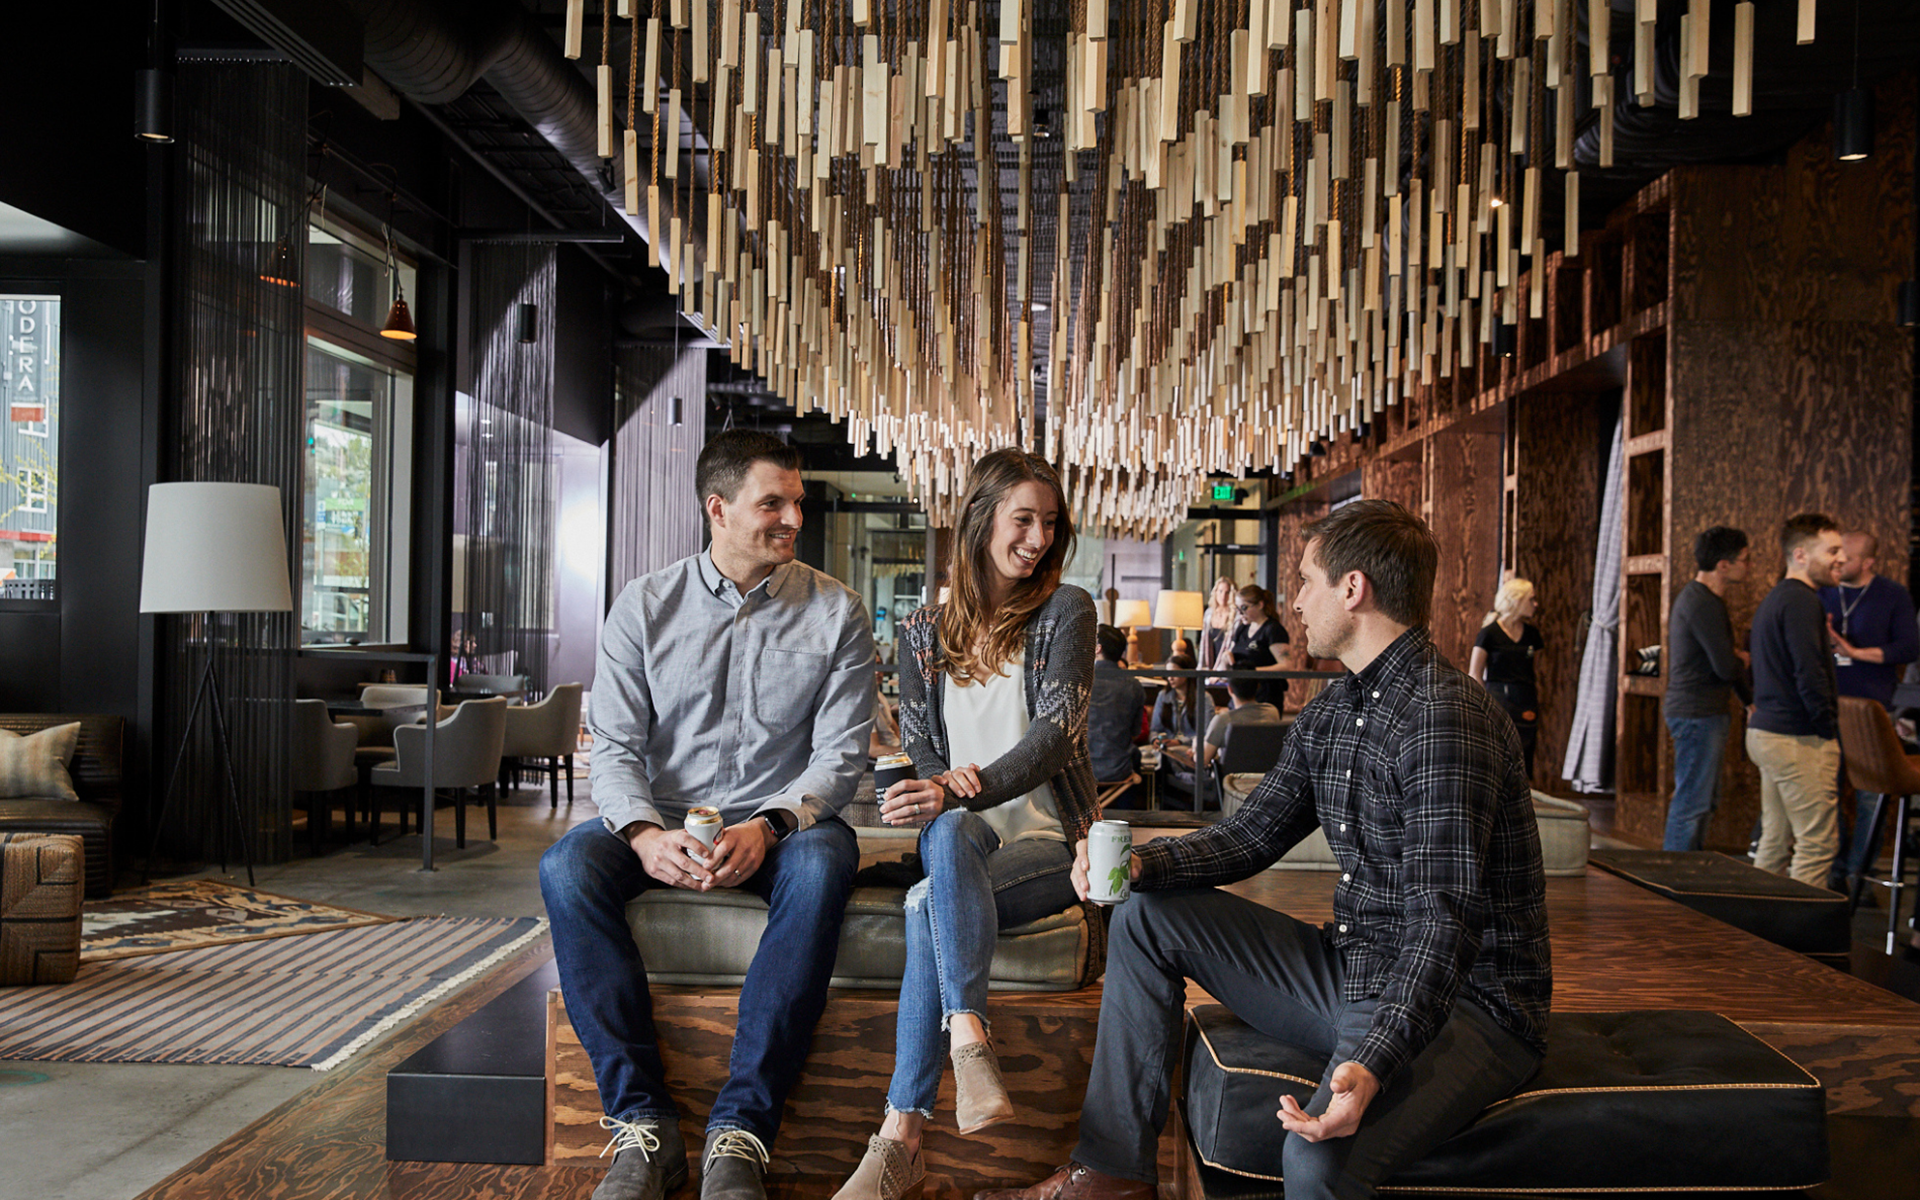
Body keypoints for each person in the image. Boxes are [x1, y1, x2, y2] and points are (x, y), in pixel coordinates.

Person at [978, 500, 1550, 1200]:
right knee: (1147, 914)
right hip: (1356, 968)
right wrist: (1138, 867)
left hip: (1465, 1003)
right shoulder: (1336, 711)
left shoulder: (1444, 717)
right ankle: (1112, 1175)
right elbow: (1250, 836)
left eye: (1306, 581)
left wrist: (1373, 1061)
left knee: (1314, 1161)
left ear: (1353, 588)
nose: (1296, 602)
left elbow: (1441, 927)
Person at [540, 430, 876, 1200]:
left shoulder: (837, 612)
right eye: (773, 503)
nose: (795, 518)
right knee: (565, 865)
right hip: (660, 821)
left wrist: (771, 824)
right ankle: (643, 1127)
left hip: (781, 828)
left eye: (798, 502)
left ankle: (741, 1134)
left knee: (828, 859)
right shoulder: (644, 606)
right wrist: (641, 835)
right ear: (717, 509)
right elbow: (614, 747)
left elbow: (840, 756)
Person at [832, 448, 1099, 1200]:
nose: (1039, 538)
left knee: (926, 899)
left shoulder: (1067, 610)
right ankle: (968, 1038)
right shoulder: (922, 631)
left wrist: (957, 790)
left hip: (1049, 841)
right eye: (1024, 519)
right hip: (964, 838)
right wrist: (936, 792)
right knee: (947, 841)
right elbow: (922, 748)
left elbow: (1055, 738)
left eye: (1051, 522)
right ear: (981, 519)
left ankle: (900, 1138)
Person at [1748, 513, 1847, 888]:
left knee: (1774, 842)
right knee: (1817, 844)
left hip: (1769, 733)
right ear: (1801, 555)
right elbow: (1810, 673)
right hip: (1797, 738)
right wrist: (1827, 729)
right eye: (1832, 551)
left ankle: (1755, 923)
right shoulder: (1802, 602)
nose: (1841, 558)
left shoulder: (1778, 597)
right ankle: (1802, 926)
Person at [1819, 530, 1919, 888]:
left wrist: (1855, 653)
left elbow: (1908, 648)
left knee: (1871, 798)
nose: (1838, 561)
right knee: (1827, 792)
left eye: (1847, 557)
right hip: (1828, 706)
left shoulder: (1892, 594)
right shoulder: (1822, 591)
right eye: (1836, 554)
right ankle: (1835, 870)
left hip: (1874, 708)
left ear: (1868, 562)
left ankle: (1857, 873)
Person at [1661, 527, 1753, 852]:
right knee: (1692, 804)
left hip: (1701, 710)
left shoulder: (1703, 600)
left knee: (1701, 801)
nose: (1749, 565)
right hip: (1697, 712)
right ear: (1723, 565)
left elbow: (1724, 660)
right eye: (1745, 559)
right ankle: (1675, 875)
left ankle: (1688, 871)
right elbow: (1725, 666)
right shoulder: (1702, 603)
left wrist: (1747, 698)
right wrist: (1741, 659)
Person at [1469, 578, 1545, 775]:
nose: (1535, 604)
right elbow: (1475, 673)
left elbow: (1539, 669)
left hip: (1526, 698)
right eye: (1531, 599)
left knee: (1524, 753)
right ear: (1516, 601)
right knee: (1498, 752)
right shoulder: (1489, 633)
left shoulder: (1532, 635)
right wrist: (1482, 706)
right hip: (1497, 698)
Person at [1088, 624, 1147, 785]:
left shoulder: (1080, 680)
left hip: (1081, 775)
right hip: (1118, 772)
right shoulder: (1134, 685)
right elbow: (1135, 733)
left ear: (1098, 648)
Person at [1150, 652, 1213, 800]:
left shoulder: (1203, 697)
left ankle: (1181, 780)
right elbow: (1155, 729)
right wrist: (1155, 739)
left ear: (1187, 673)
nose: (1170, 678)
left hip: (1189, 747)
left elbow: (1206, 733)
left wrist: (1180, 741)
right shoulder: (1163, 696)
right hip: (1165, 747)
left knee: (1169, 757)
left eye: (1175, 673)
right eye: (1168, 674)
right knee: (1159, 756)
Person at [1199, 675, 1283, 771]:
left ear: (1230, 689)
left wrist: (1196, 745)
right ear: (1258, 687)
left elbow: (1203, 760)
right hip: (1265, 775)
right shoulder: (1272, 711)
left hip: (1231, 777)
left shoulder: (1223, 720)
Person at [1229, 584, 1290, 708]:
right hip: (1240, 695)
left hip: (1264, 695)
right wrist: (1227, 657)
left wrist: (1252, 672)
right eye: (1237, 608)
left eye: (1244, 607)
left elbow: (1286, 666)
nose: (1240, 613)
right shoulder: (1242, 629)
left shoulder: (1272, 629)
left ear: (1260, 605)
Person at [1199, 576, 1242, 673]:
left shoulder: (1236, 616)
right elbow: (1203, 643)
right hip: (1210, 662)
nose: (1223, 596)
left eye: (1227, 592)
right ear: (1215, 592)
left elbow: (1233, 645)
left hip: (1227, 666)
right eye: (1220, 591)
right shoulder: (1209, 613)